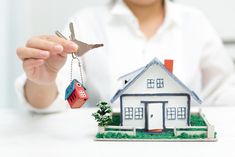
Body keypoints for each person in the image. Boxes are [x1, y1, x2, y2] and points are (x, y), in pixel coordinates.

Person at [16, 0, 235, 113]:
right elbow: (55, 99)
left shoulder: (195, 22)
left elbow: (225, 94)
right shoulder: (85, 23)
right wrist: (43, 82)